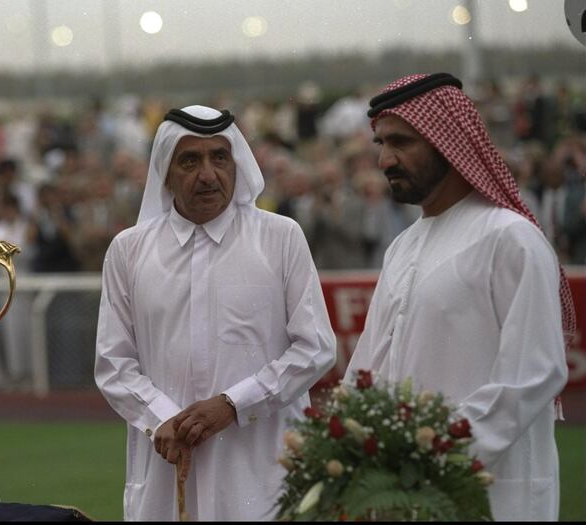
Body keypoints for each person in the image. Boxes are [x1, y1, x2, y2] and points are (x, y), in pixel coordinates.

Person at [344, 73, 574, 521]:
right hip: (398, 493)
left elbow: (533, 373)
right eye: (380, 144)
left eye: (401, 142)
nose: (385, 159)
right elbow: (367, 369)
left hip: (488, 491)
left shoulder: (510, 238)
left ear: (446, 141)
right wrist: (352, 451)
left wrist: (436, 455)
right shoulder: (402, 246)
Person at [94, 105, 336, 521]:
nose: (208, 174)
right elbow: (113, 363)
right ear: (165, 172)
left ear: (236, 163)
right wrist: (165, 420)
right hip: (166, 461)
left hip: (263, 466)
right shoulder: (129, 250)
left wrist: (233, 405)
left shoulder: (280, 238)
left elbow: (315, 348)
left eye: (219, 158)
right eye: (190, 160)